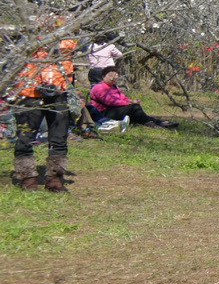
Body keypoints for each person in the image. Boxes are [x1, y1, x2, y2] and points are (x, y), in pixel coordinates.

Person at [9, 40, 78, 193]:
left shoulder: (68, 38)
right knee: (24, 137)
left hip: (58, 92)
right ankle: (28, 179)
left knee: (59, 138)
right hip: (28, 92)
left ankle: (55, 179)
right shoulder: (27, 35)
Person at [86, 69, 177, 129]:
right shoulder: (98, 87)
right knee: (134, 108)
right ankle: (154, 124)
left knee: (135, 111)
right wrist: (128, 103)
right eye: (109, 75)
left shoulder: (113, 87)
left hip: (114, 109)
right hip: (103, 112)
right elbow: (110, 102)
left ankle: (157, 122)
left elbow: (122, 97)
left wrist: (130, 100)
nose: (113, 77)